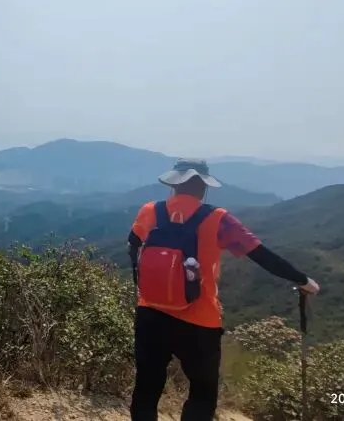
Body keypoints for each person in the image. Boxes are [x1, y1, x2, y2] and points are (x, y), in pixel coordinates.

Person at [127, 158, 320, 421]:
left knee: (147, 387)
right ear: (204, 187)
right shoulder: (219, 219)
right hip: (199, 321)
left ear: (174, 184)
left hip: (150, 313)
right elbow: (261, 255)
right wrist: (302, 280)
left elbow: (133, 244)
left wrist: (143, 283)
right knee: (202, 393)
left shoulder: (150, 210)